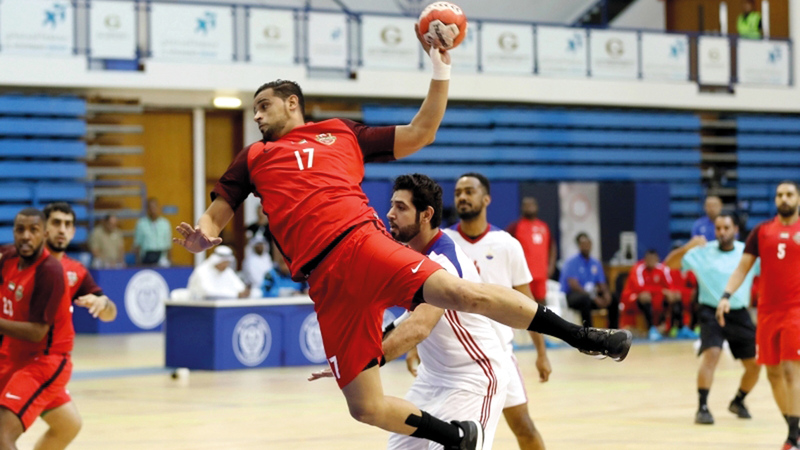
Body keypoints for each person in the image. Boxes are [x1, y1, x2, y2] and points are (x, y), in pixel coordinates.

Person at [174, 27, 631, 450]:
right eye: (254, 110)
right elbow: (217, 213)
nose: (256, 116)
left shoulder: (339, 132)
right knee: (364, 406)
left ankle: (583, 335)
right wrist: (203, 236)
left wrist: (441, 68)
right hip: (324, 283)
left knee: (456, 292)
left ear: (293, 103)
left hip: (359, 242)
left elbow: (422, 131)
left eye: (264, 106)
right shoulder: (253, 157)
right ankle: (455, 435)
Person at [312, 173, 511, 449]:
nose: (390, 214)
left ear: (426, 214)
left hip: (474, 377)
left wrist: (361, 367)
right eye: (392, 205)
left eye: (401, 208)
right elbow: (407, 319)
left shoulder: (443, 261)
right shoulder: (406, 257)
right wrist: (355, 355)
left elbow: (420, 325)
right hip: (431, 379)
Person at [443, 173, 551, 450]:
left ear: (486, 198)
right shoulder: (443, 241)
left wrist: (541, 353)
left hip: (499, 354)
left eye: (469, 191)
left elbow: (528, 305)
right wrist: (416, 348)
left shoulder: (508, 244)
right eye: (458, 193)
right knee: (449, 435)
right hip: (453, 360)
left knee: (524, 428)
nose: (463, 197)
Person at [720, 181, 800, 450]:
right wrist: (726, 296)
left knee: (791, 370)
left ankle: (792, 437)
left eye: (789, 194)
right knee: (773, 374)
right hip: (767, 313)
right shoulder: (761, 231)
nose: (784, 198)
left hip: (796, 311)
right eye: (779, 194)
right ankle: (793, 430)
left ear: (797, 198)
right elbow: (742, 269)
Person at [664, 212, 761, 425]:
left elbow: (769, 271)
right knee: (712, 355)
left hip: (738, 313)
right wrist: (688, 246)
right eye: (718, 228)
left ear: (735, 230)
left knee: (755, 365)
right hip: (710, 310)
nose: (722, 232)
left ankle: (739, 400)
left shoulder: (747, 253)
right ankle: (703, 407)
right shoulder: (703, 252)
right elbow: (669, 264)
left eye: (726, 228)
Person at [0, 209, 74, 449]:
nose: (26, 236)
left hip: (45, 360)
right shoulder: (7, 257)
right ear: (13, 233)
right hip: (14, 354)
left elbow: (37, 332)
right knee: (69, 425)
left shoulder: (49, 271)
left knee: (2, 435)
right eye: (20, 230)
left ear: (44, 234)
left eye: (33, 230)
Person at [620, 249, 695, 341]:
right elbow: (640, 288)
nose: (651, 261)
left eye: (653, 259)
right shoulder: (638, 268)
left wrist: (669, 293)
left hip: (656, 297)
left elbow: (670, 286)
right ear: (645, 259)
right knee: (645, 296)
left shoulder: (662, 268)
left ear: (657, 259)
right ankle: (652, 328)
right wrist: (662, 291)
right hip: (634, 298)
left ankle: (681, 328)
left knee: (675, 296)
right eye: (649, 259)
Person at [560, 233, 619, 329]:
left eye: (588, 244)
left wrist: (606, 294)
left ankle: (614, 330)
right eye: (583, 244)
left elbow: (601, 282)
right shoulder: (572, 262)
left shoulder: (595, 263)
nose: (586, 246)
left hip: (592, 295)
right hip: (574, 296)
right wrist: (594, 297)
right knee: (585, 300)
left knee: (613, 298)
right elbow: (574, 286)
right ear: (579, 246)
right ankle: (589, 332)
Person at [506, 196, 557, 302]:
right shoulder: (515, 227)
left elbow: (552, 246)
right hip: (522, 275)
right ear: (522, 208)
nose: (529, 207)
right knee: (524, 304)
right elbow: (505, 246)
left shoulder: (544, 226)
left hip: (541, 275)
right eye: (526, 205)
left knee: (541, 306)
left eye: (532, 205)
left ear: (537, 207)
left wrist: (551, 266)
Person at [187, 246, 251, 300]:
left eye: (227, 263)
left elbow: (240, 288)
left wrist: (245, 292)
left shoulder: (227, 271)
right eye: (224, 262)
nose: (226, 265)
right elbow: (209, 294)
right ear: (217, 261)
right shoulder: (202, 271)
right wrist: (236, 295)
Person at [133, 197, 172, 266]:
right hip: (146, 260)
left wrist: (170, 261)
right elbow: (137, 245)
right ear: (147, 209)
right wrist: (138, 263)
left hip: (162, 260)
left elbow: (168, 245)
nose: (153, 210)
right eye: (150, 207)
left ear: (158, 208)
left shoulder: (165, 223)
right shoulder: (141, 224)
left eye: (155, 207)